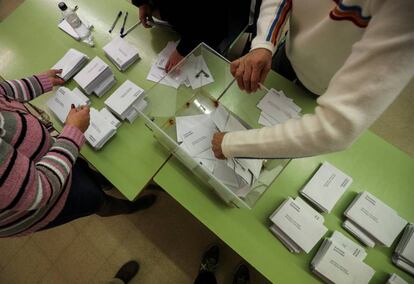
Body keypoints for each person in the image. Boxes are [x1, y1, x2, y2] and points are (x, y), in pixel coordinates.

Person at [211, 0, 414, 160]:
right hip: (287, 54)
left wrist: (231, 145)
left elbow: (337, 128)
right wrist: (263, 44)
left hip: (328, 88)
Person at [0, 70, 156, 237]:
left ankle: (107, 182)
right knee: (93, 198)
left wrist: (38, 82)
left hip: (50, 156)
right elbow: (37, 190)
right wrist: (73, 132)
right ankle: (129, 207)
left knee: (84, 169)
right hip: (39, 204)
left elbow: (3, 92)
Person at [131, 0, 230, 72]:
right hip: (181, 25)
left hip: (209, 28)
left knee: (210, 67)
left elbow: (204, 23)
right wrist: (141, 3)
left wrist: (182, 50)